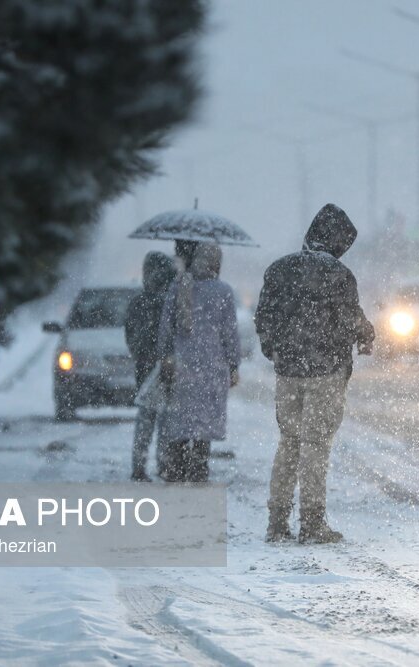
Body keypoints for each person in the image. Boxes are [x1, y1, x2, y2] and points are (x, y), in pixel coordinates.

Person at [255, 203, 375, 544]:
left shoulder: (279, 270)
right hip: (326, 371)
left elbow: (264, 318)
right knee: (316, 446)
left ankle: (277, 523)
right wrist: (365, 334)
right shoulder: (339, 275)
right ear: (337, 241)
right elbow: (351, 319)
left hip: (288, 372)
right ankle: (312, 523)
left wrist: (276, 351)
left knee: (289, 444)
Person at [157, 242, 240, 482]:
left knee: (181, 418)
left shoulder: (179, 285)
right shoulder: (223, 291)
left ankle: (177, 466)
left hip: (181, 364)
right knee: (205, 420)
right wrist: (234, 365)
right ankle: (199, 467)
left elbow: (166, 325)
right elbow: (229, 333)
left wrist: (165, 355)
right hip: (212, 366)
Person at [125, 251, 176, 482]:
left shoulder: (139, 301)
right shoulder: (171, 300)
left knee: (146, 417)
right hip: (167, 365)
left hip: (145, 365)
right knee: (166, 417)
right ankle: (164, 464)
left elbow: (130, 334)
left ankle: (139, 465)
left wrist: (140, 353)